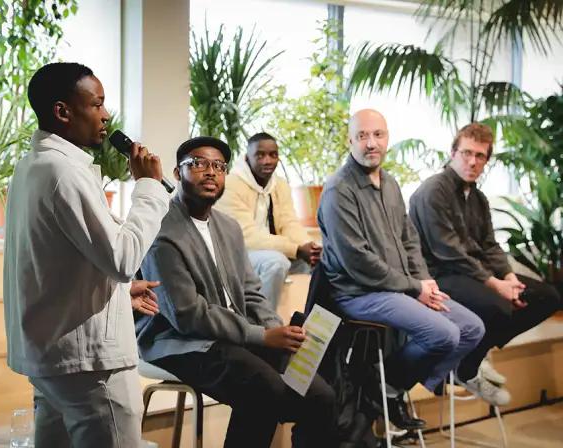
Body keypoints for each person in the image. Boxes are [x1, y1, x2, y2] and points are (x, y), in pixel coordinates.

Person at [3, 62, 171, 448]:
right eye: (97, 104)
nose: (106, 115)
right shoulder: (64, 173)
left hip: (54, 358)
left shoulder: (31, 166)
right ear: (63, 111)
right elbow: (124, 259)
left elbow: (51, 265)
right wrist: (147, 188)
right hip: (91, 365)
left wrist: (115, 293)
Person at [135, 136, 343, 448]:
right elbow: (187, 315)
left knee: (321, 396)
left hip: (233, 335)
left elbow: (252, 292)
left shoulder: (228, 227)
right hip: (180, 341)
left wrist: (276, 331)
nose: (210, 172)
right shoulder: (161, 230)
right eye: (199, 164)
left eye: (218, 166)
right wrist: (262, 337)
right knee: (265, 389)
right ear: (178, 173)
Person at [317, 109, 486, 429]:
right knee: (444, 333)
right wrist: (413, 287)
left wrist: (425, 281)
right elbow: (359, 262)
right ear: (350, 140)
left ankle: (390, 388)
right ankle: (385, 389)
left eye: (378, 135)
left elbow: (410, 239)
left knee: (471, 328)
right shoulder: (339, 191)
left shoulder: (391, 184)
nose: (371, 143)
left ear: (387, 139)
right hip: (358, 292)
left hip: (399, 286)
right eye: (363, 136)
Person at [409, 122, 561, 406]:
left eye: (480, 156)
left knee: (547, 297)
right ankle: (466, 369)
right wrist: (495, 284)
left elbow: (489, 244)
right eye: (467, 153)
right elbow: (448, 251)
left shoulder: (477, 197)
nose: (472, 161)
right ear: (453, 153)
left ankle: (472, 355)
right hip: (438, 275)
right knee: (498, 306)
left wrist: (509, 276)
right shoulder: (433, 191)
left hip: (472, 274)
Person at [215, 132, 321, 308]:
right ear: (248, 159)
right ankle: (262, 325)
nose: (268, 161)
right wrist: (295, 249)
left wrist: (309, 246)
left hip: (269, 251)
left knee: (319, 261)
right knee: (276, 263)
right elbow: (247, 237)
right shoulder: (231, 185)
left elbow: (289, 223)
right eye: (260, 155)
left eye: (273, 155)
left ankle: (307, 324)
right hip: (236, 254)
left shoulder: (279, 185)